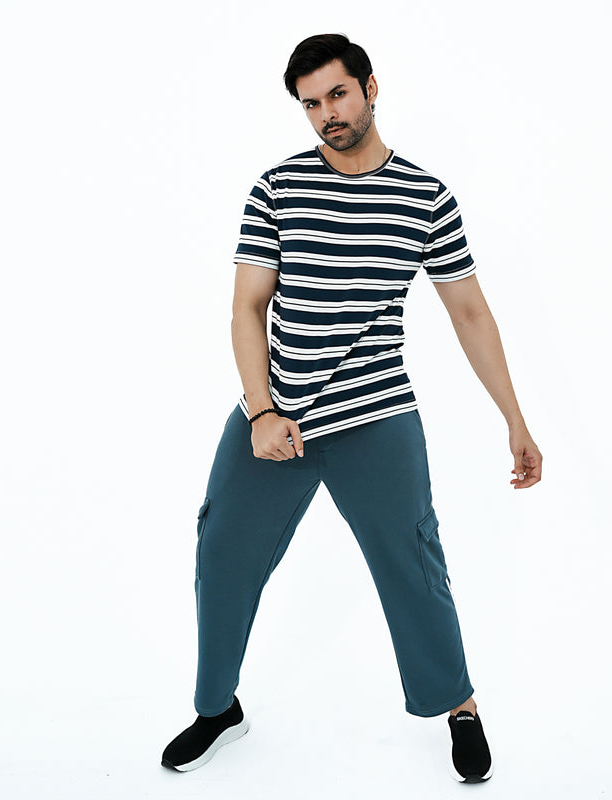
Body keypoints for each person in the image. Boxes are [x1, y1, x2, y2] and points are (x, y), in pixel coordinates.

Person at [161, 33, 543, 783]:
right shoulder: (277, 187)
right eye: (310, 104)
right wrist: (261, 411)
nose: (326, 114)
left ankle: (458, 706)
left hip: (377, 414)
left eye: (336, 94)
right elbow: (247, 308)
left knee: (414, 562)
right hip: (275, 413)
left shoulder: (425, 196)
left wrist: (515, 421)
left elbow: (469, 312)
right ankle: (218, 709)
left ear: (370, 87)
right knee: (222, 552)